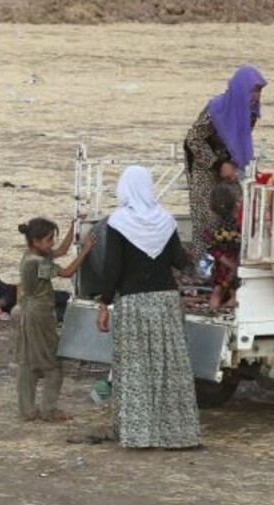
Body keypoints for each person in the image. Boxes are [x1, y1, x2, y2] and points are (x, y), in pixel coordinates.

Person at [97, 166, 201, 449]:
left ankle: (139, 434)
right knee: (168, 367)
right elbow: (179, 261)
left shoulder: (118, 222)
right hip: (165, 301)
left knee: (137, 368)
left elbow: (112, 268)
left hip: (134, 303)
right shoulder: (164, 220)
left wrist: (103, 302)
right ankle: (176, 433)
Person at [15, 217, 95, 422]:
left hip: (27, 312)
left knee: (28, 361)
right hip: (39, 315)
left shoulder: (31, 255)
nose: (52, 243)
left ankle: (27, 411)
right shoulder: (37, 263)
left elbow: (60, 251)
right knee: (53, 364)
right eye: (49, 239)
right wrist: (85, 250)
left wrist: (72, 227)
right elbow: (67, 272)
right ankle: (49, 410)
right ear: (36, 241)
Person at [184, 65, 266, 262]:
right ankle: (203, 267)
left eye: (259, 91)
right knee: (207, 218)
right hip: (204, 165)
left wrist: (231, 163)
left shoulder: (251, 113)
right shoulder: (216, 109)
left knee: (236, 213)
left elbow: (239, 141)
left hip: (230, 165)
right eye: (252, 90)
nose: (256, 96)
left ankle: (231, 264)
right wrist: (218, 163)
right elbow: (193, 139)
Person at [205, 183, 242, 310]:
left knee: (217, 290)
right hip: (237, 263)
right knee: (235, 292)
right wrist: (234, 264)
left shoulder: (212, 224)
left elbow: (210, 247)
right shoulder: (239, 222)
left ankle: (213, 312)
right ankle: (228, 311)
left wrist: (225, 261)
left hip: (221, 265)